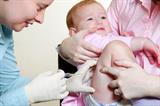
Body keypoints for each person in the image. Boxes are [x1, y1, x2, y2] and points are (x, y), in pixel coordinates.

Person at [59, 0, 160, 105]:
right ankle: (141, 100)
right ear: (74, 32)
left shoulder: (108, 36)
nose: (99, 22)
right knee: (116, 47)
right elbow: (106, 42)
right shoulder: (88, 38)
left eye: (103, 17)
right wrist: (141, 43)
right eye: (90, 19)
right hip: (98, 93)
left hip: (122, 94)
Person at [0, 0, 96, 106]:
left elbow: (7, 86)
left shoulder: (4, 29)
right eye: (39, 7)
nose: (41, 19)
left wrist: (64, 84)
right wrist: (29, 95)